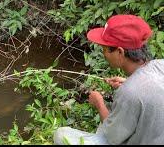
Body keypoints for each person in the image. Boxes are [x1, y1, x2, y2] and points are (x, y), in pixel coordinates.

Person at [53, 14, 164, 145]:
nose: (103, 53)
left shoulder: (130, 92)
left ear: (120, 52)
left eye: (105, 49)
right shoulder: (160, 64)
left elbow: (112, 137)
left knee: (60, 135)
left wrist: (99, 104)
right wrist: (127, 82)